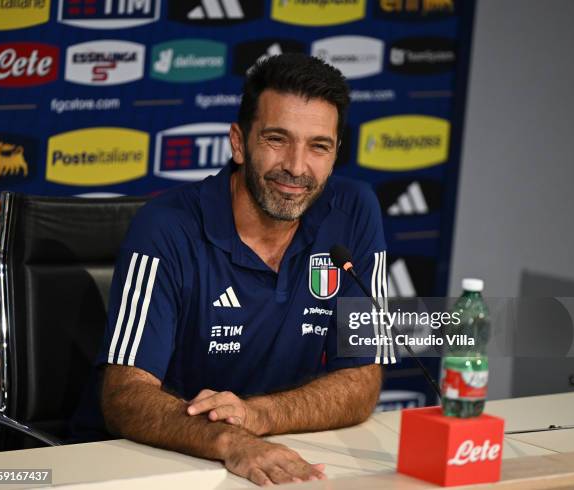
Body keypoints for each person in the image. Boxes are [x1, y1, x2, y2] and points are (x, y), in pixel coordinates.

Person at [72, 53, 389, 486]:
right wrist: (230, 440)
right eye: (277, 139)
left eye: (319, 146)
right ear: (239, 143)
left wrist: (257, 417)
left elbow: (362, 377)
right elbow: (124, 394)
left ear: (336, 154)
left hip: (273, 454)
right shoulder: (165, 227)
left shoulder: (354, 212)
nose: (297, 167)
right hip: (147, 466)